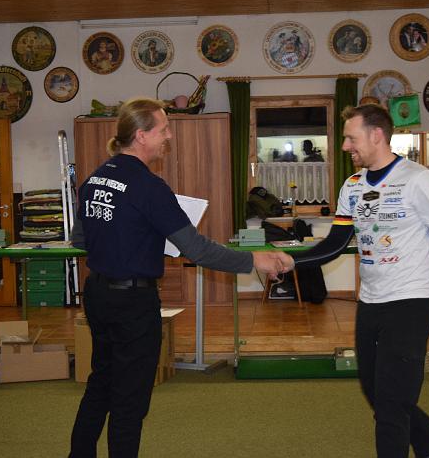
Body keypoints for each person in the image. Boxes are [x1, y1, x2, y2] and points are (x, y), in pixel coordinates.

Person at [68, 98, 294, 458]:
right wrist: (254, 259)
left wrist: (134, 238)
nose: (168, 136)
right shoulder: (149, 187)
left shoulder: (94, 179)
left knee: (101, 383)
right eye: (163, 129)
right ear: (141, 136)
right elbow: (199, 250)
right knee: (129, 402)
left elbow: (81, 239)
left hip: (98, 295)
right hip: (133, 305)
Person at [288, 105, 429, 458]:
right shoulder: (352, 185)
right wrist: (290, 261)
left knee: (390, 404)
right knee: (376, 391)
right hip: (371, 300)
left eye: (350, 138)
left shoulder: (419, 179)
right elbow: (336, 243)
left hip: (413, 300)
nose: (345, 146)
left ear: (376, 135)